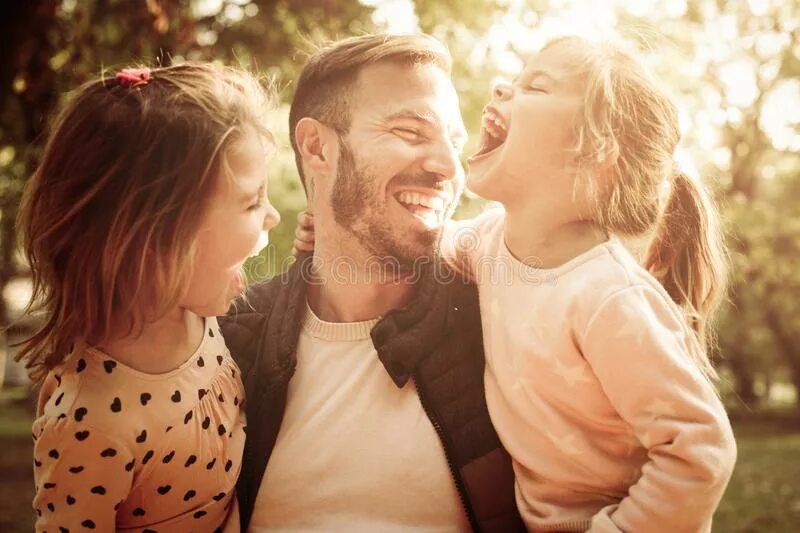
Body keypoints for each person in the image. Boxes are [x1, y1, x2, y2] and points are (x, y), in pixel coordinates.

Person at [295, 35, 739, 532]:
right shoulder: (489, 246)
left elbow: (699, 449)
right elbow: (415, 241)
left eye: (537, 86)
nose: (503, 89)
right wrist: (327, 231)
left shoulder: (609, 297)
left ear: (593, 149)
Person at [219, 34, 524, 532]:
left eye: (454, 142)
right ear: (318, 148)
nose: (448, 167)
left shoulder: (500, 323)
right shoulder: (225, 344)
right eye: (410, 132)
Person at [17, 63, 280, 531]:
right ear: (158, 233)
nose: (274, 215)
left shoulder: (199, 320)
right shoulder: (91, 420)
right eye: (251, 201)